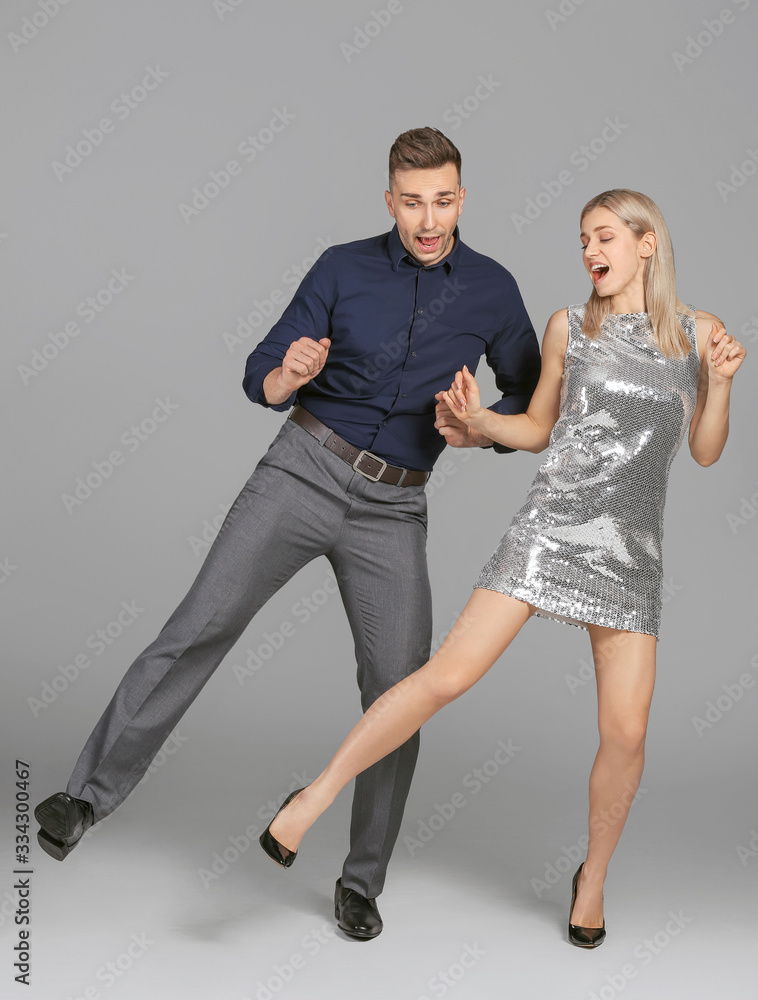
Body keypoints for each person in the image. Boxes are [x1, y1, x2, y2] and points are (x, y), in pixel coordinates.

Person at [34, 127, 541, 940]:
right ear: (389, 201)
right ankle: (84, 797)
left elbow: (532, 403)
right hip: (302, 468)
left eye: (442, 200)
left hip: (395, 508)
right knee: (200, 624)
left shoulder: (491, 289)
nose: (428, 218)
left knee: (400, 689)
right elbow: (260, 370)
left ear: (462, 198)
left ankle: (361, 880)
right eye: (412, 202)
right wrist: (288, 374)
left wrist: (478, 425)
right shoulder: (341, 266)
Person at [258, 188, 746, 948]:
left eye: (605, 236)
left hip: (628, 552)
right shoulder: (568, 328)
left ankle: (594, 878)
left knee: (625, 732)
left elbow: (707, 450)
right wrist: (481, 422)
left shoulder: (697, 333)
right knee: (444, 676)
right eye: (583, 238)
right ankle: (311, 799)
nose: (591, 251)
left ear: (648, 243)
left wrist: (719, 384)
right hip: (551, 528)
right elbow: (538, 428)